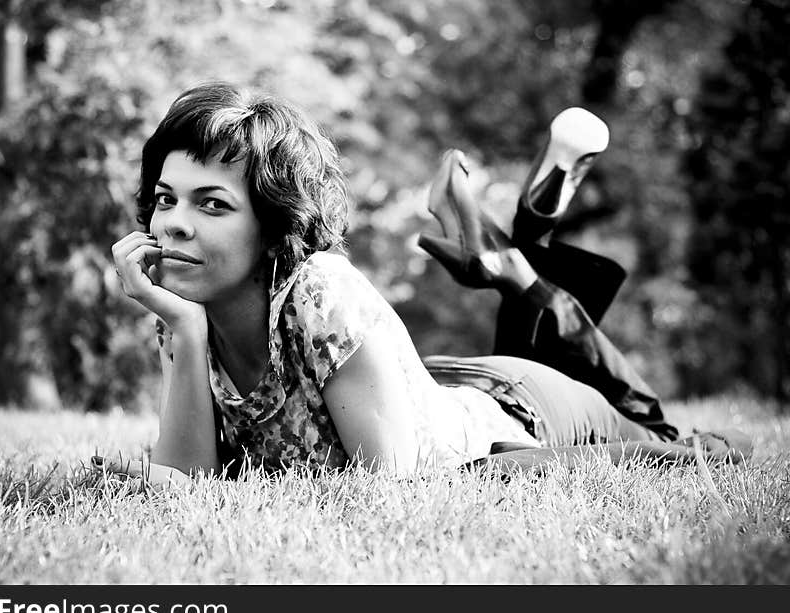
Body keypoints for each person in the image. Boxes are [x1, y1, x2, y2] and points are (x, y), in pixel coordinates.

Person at [105, 81, 750, 486]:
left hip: (516, 413)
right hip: (444, 385)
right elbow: (184, 486)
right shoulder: (188, 306)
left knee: (667, 439)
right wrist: (187, 334)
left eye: (211, 204)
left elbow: (384, 489)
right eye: (166, 199)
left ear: (275, 226)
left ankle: (519, 265)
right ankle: (514, 258)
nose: (174, 226)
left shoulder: (320, 291)